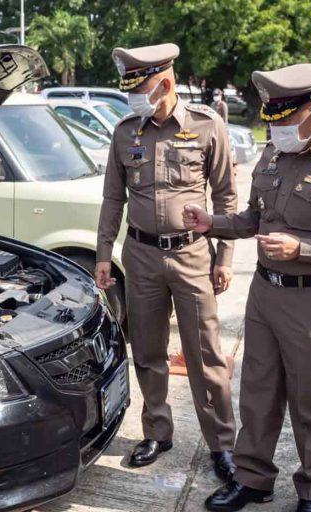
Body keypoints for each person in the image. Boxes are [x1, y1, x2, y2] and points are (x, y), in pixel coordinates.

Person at [183, 63, 311, 512]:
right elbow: (253, 218)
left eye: (285, 118)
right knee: (259, 394)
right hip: (265, 295)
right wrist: (212, 224)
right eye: (273, 120)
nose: (277, 128)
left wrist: (304, 248)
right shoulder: (274, 154)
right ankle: (253, 478)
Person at [95, 43, 238, 480]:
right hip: (139, 257)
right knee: (149, 351)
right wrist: (104, 254)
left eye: (140, 88)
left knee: (206, 355)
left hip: (193, 255)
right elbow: (112, 198)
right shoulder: (125, 132)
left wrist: (225, 255)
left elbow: (227, 195)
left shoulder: (207, 127)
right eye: (130, 89)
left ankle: (221, 445)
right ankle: (157, 430)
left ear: (166, 83)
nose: (134, 97)